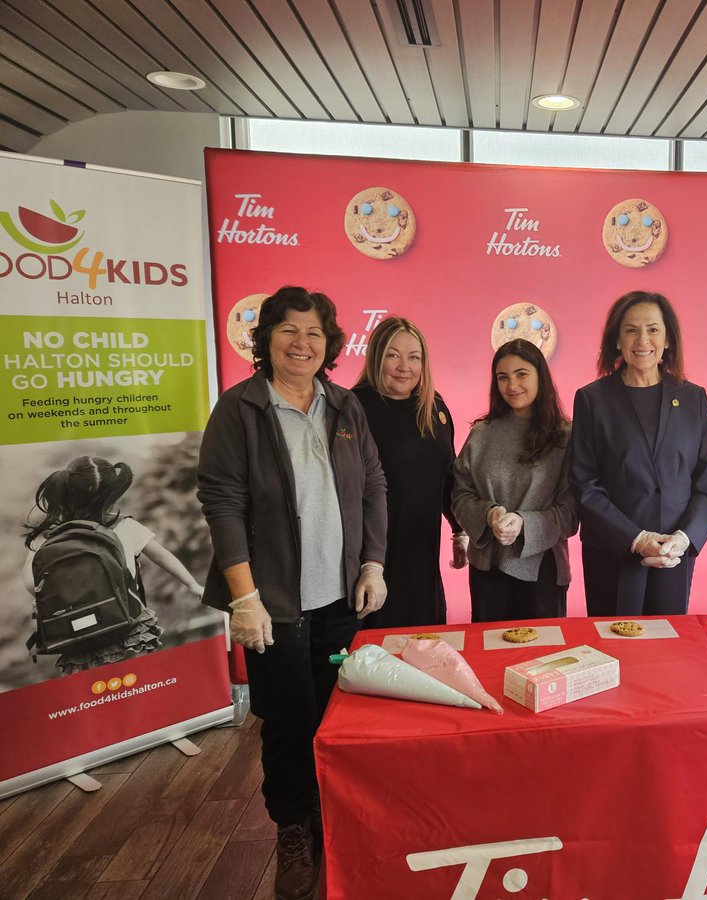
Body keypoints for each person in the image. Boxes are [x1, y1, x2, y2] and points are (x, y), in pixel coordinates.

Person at [196, 286, 387, 900]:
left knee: (337, 713)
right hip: (273, 604)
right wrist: (243, 596)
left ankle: (335, 815)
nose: (302, 343)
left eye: (314, 333)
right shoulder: (241, 408)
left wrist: (373, 564)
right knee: (286, 721)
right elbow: (222, 502)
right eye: (288, 331)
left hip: (339, 597)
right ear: (267, 338)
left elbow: (374, 485)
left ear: (329, 344)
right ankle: (294, 830)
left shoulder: (343, 406)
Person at [569, 291, 707, 616]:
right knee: (614, 649)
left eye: (653, 329)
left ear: (667, 339)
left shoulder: (693, 399)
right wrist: (635, 539)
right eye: (631, 329)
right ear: (617, 340)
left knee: (667, 654)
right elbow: (584, 485)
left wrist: (683, 538)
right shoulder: (592, 400)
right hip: (612, 554)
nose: (643, 339)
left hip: (673, 556)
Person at [22, 455, 204, 674]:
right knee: (139, 688)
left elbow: (31, 585)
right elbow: (163, 557)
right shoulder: (125, 526)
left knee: (96, 699)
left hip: (78, 641)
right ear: (110, 495)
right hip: (126, 630)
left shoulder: (46, 538)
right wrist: (193, 585)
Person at [451, 339, 576, 622]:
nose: (512, 385)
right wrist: (488, 514)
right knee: (491, 659)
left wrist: (523, 523)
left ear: (540, 376)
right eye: (502, 377)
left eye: (521, 374)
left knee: (542, 660)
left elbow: (571, 512)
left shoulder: (565, 436)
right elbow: (460, 495)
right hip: (486, 567)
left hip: (542, 568)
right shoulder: (481, 433)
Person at [354, 317, 467, 627]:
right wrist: (369, 565)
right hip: (372, 556)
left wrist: (460, 529)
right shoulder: (355, 408)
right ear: (376, 356)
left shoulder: (434, 406)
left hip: (423, 553)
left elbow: (448, 477)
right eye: (393, 355)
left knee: (426, 643)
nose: (404, 366)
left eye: (414, 357)